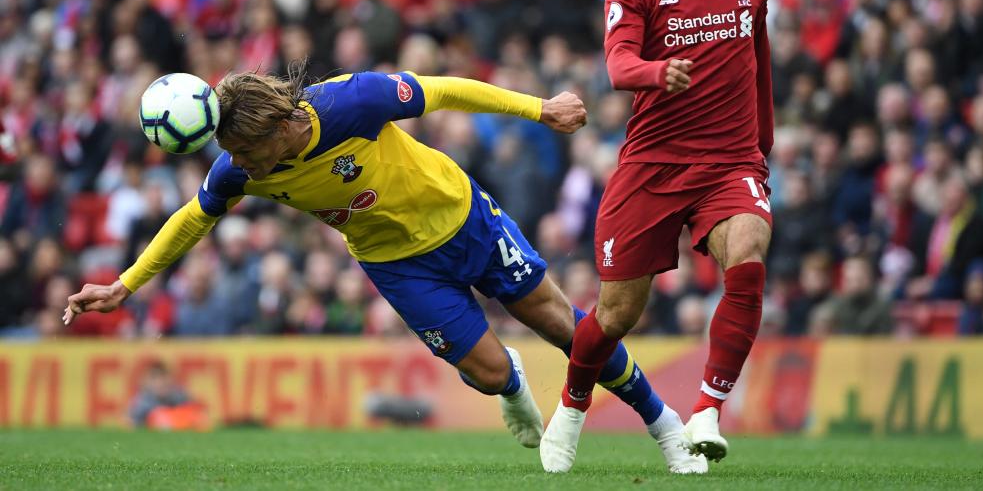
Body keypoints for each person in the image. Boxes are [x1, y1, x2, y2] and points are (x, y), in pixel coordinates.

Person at [63, 62, 706, 474]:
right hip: (397, 266)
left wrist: (541, 109)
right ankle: (511, 385)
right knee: (486, 373)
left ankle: (665, 426)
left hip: (463, 219)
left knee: (567, 329)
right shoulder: (238, 167)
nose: (244, 168)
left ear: (284, 127)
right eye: (234, 157)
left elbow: (446, 90)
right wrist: (124, 285)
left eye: (251, 155)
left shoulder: (354, 102)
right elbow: (191, 219)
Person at [540, 0, 774, 472]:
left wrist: (762, 148)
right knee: (615, 316)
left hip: (730, 162)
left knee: (747, 252)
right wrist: (655, 73)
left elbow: (761, 63)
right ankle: (570, 405)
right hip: (653, 163)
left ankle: (706, 412)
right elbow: (618, 67)